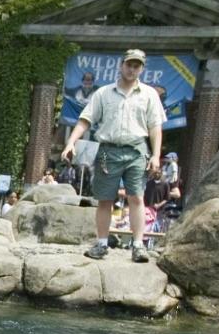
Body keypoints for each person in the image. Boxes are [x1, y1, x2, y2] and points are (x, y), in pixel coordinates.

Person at [62, 48, 164, 264]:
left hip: (137, 149)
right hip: (108, 150)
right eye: (129, 64)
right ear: (121, 65)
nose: (132, 69)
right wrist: (71, 142)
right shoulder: (103, 93)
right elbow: (85, 120)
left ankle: (138, 245)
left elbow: (155, 127)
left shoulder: (149, 94)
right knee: (105, 200)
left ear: (142, 69)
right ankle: (101, 243)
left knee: (136, 197)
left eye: (137, 66)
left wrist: (156, 156)